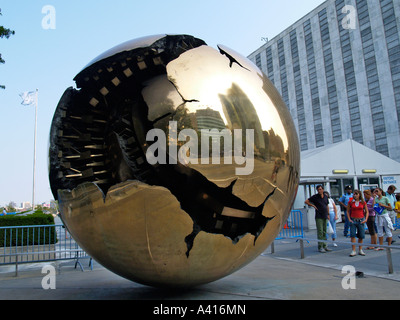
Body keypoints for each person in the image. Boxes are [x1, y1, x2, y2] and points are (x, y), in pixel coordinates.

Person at [305, 185, 332, 253]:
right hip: (319, 216)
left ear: (323, 189)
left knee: (324, 231)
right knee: (320, 231)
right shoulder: (315, 197)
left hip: (324, 215)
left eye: (320, 189)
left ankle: (325, 245)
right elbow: (306, 201)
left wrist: (328, 214)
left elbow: (327, 205)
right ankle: (320, 246)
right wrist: (313, 205)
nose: (319, 191)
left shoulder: (325, 197)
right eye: (318, 190)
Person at [347, 189, 368, 257]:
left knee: (361, 235)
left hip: (360, 220)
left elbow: (367, 211)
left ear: (359, 195)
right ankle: (353, 250)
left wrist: (366, 219)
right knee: (353, 235)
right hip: (353, 219)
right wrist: (349, 219)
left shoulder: (363, 202)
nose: (355, 195)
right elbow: (347, 211)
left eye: (356, 194)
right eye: (354, 194)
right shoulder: (351, 202)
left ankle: (360, 249)